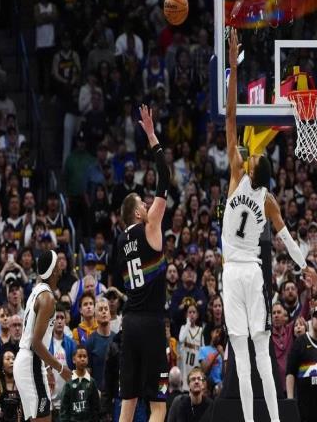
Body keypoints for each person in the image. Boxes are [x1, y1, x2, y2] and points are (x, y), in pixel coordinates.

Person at [222, 28, 314, 422]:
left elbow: (231, 116)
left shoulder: (236, 176)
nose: (253, 154)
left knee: (247, 355)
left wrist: (233, 68)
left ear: (255, 169)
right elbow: (288, 240)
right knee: (257, 353)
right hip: (251, 274)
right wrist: (304, 264)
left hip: (235, 273)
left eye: (255, 157)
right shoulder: (268, 199)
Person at [117, 104, 170, 422]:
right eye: (143, 202)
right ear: (138, 213)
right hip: (150, 324)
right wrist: (151, 135)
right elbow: (165, 177)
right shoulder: (150, 226)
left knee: (128, 402)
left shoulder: (119, 242)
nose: (148, 203)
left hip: (129, 322)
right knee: (158, 406)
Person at [13, 250, 72, 421]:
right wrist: (61, 369)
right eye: (58, 264)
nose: (61, 268)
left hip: (31, 362)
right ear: (53, 271)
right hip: (31, 362)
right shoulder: (47, 298)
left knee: (43, 416)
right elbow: (36, 343)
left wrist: (47, 368)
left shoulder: (37, 290)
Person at [286, 306, 317, 422]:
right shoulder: (300, 342)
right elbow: (290, 372)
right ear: (311, 319)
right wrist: (290, 400)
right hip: (304, 405)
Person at [60, 345, 101, 422]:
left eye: (85, 356)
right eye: (79, 356)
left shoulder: (92, 382)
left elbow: (96, 408)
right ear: (73, 360)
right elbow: (64, 410)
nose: (82, 359)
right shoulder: (69, 383)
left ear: (87, 359)